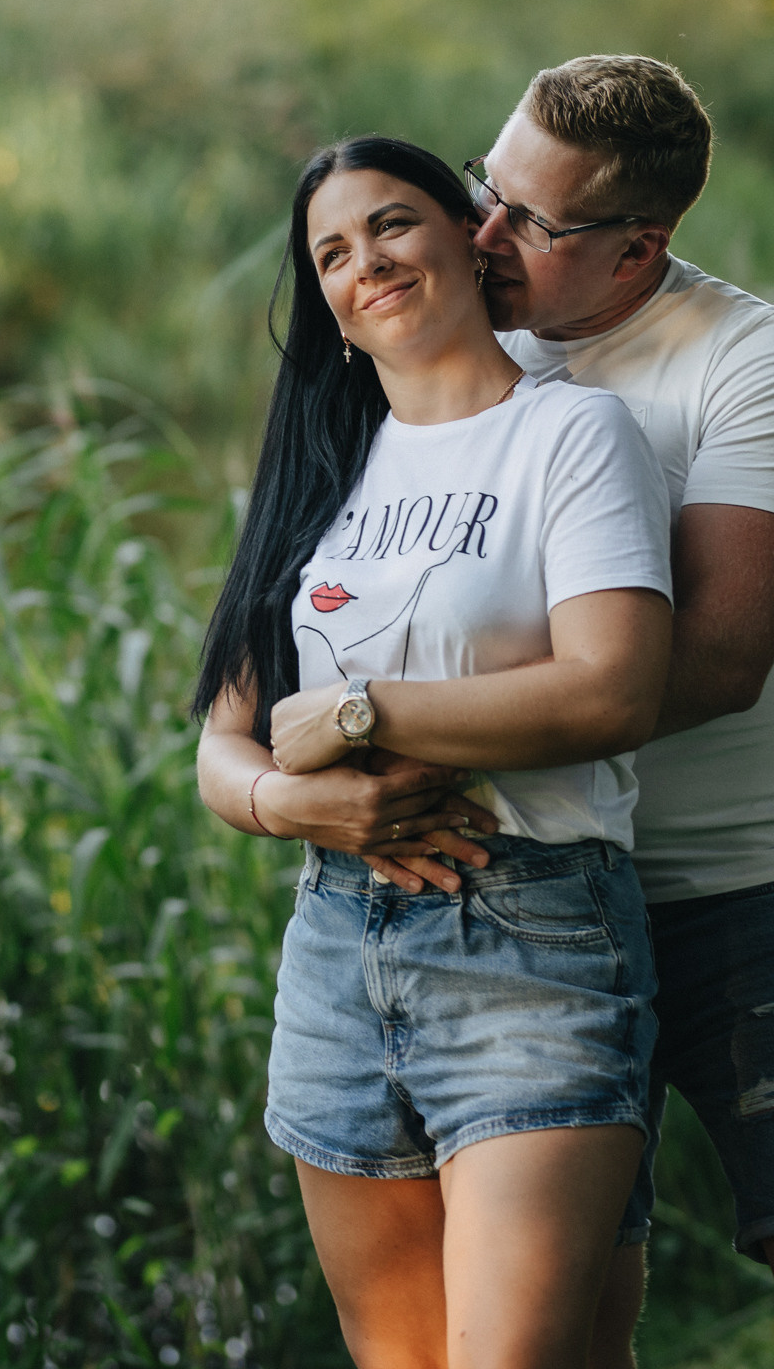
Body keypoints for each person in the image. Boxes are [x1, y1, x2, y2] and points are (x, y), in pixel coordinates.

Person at [437, 54, 774, 1369]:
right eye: (483, 191)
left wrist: (418, 733)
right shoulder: (462, 352)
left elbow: (720, 659)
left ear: (637, 247)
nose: (482, 235)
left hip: (740, 888)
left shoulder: (754, 361)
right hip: (540, 898)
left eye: (530, 222)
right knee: (575, 1320)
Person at [193, 135, 677, 1368]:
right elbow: (225, 750)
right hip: (336, 955)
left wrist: (363, 715)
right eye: (333, 254)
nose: (370, 264)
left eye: (393, 225)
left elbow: (614, 687)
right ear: (330, 311)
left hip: (535, 943)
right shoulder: (318, 468)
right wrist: (306, 811)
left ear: (469, 235)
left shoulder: (571, 436)